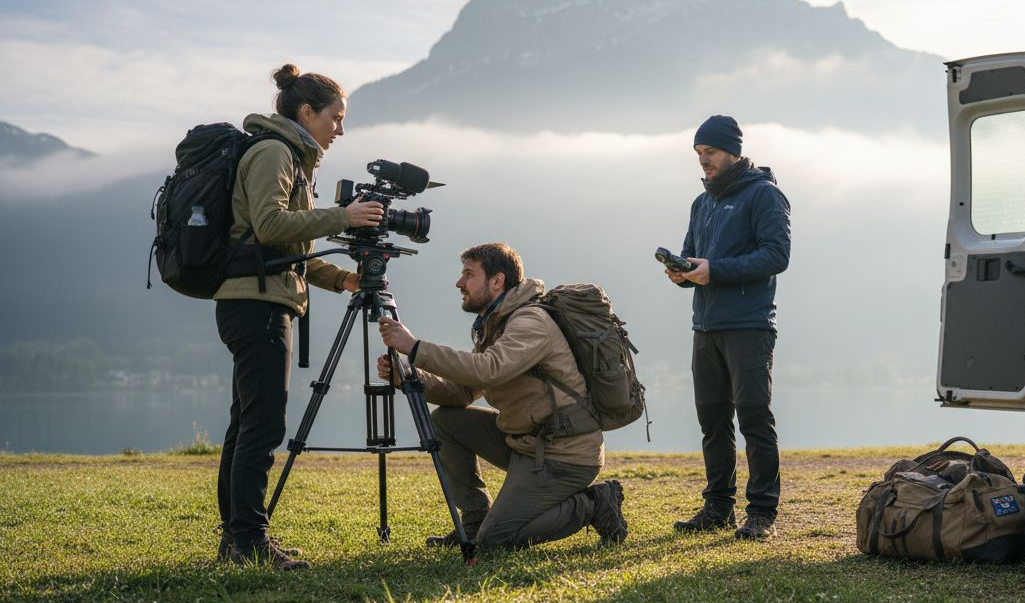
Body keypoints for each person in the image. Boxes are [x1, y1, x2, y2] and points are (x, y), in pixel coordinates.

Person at [214, 64, 385, 570]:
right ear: (306, 112)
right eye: (335, 117)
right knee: (262, 428)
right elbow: (269, 227)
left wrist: (341, 279)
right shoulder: (273, 152)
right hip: (258, 304)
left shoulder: (290, 156)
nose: (340, 129)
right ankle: (248, 541)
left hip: (259, 297)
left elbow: (290, 250)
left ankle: (236, 540)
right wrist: (343, 217)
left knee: (245, 424)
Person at [375, 242, 628, 550]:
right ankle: (475, 521)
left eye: (469, 274)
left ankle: (596, 503)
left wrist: (415, 348)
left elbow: (488, 370)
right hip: (527, 441)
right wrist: (411, 378)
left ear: (497, 281)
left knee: (497, 540)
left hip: (564, 453)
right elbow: (464, 392)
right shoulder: (496, 324)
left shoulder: (530, 322)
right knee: (446, 421)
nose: (459, 283)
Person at [666, 115, 791, 540]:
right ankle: (717, 508)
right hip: (705, 327)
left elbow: (776, 256)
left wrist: (713, 270)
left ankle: (761, 513)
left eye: (710, 152)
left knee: (754, 419)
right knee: (713, 422)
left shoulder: (765, 196)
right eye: (699, 154)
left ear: (733, 152)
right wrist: (683, 272)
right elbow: (691, 254)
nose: (703, 161)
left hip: (750, 326)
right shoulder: (701, 204)